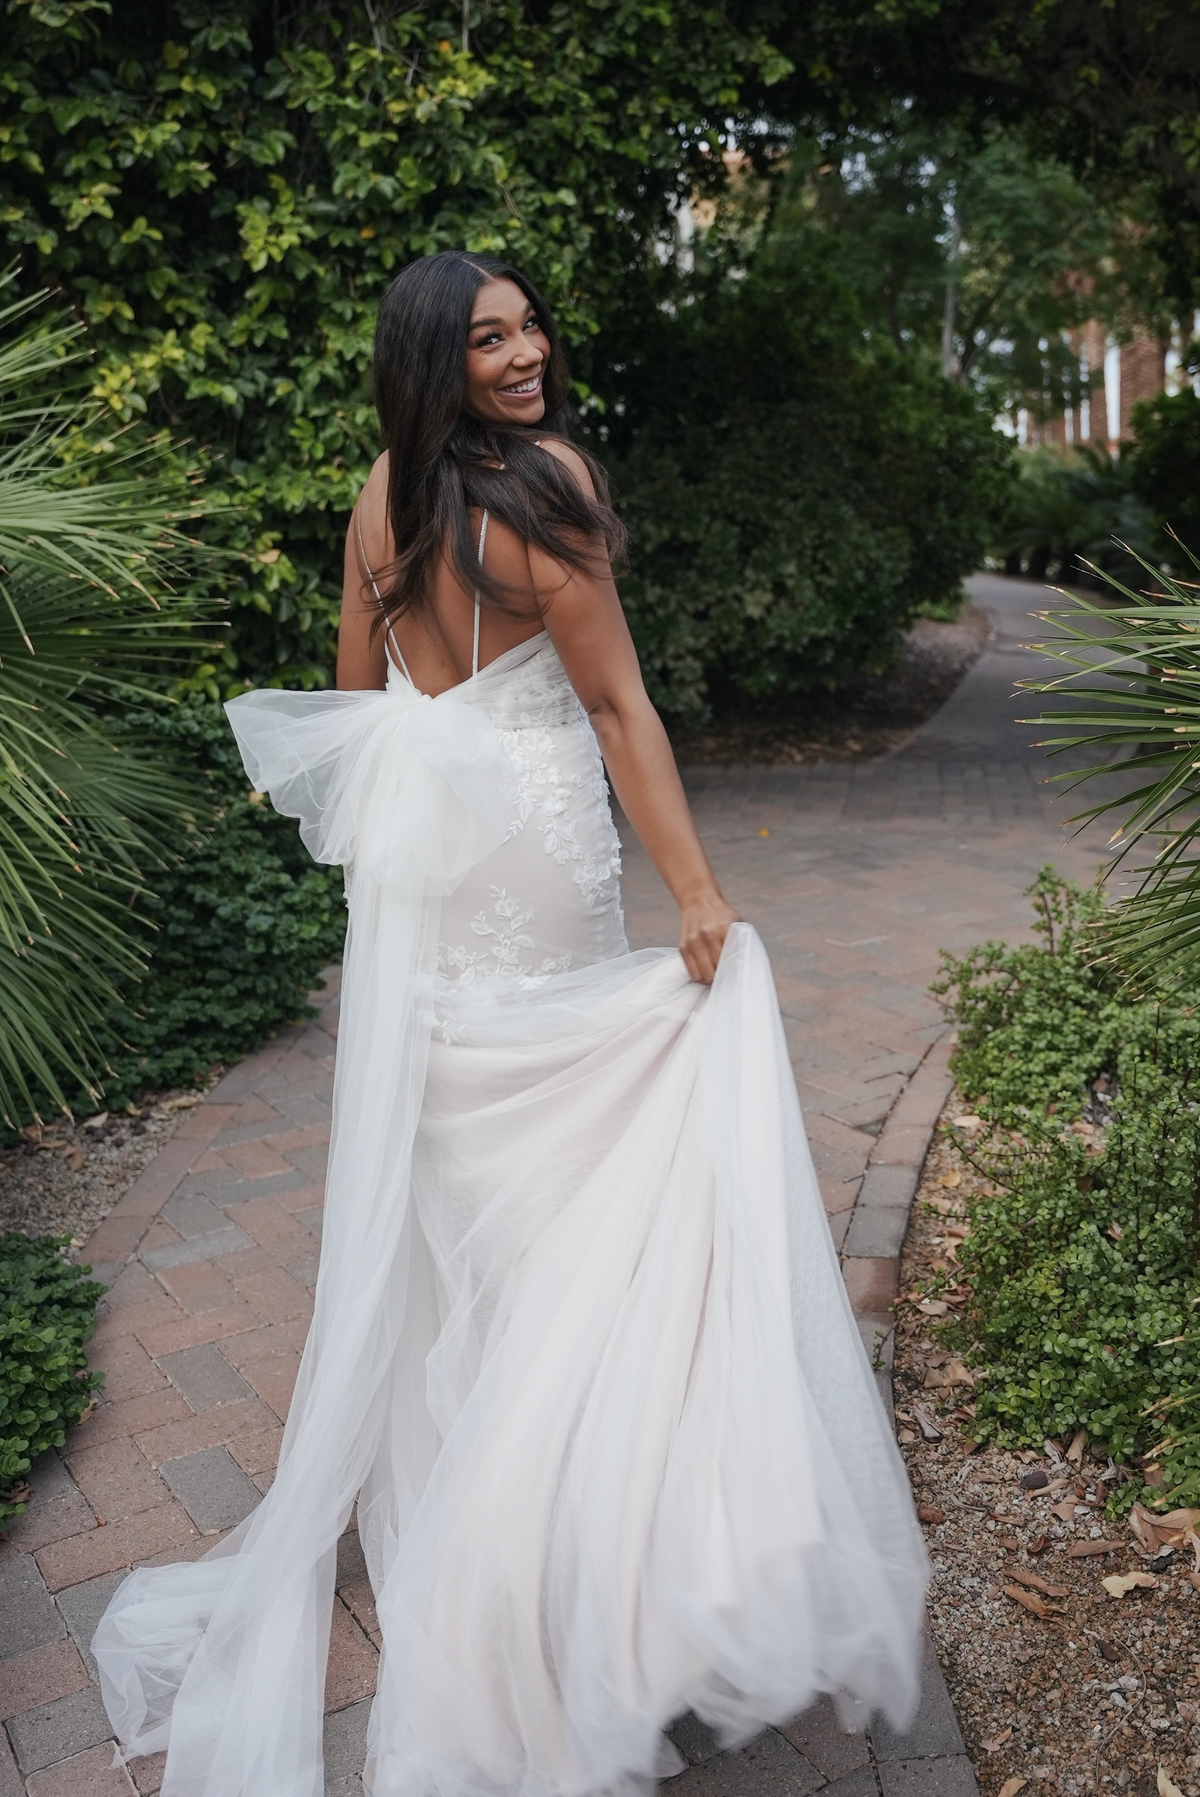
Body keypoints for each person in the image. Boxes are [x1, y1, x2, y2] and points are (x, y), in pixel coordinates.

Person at [94, 251, 927, 1797]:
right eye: (491, 337)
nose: (529, 351)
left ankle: (481, 1485)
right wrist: (696, 894)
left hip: (427, 891)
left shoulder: (376, 501)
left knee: (464, 1179)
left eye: (531, 322)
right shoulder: (546, 487)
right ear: (439, 359)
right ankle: (572, 1550)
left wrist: (428, 760)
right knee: (576, 1192)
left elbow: (354, 708)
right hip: (539, 850)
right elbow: (615, 709)